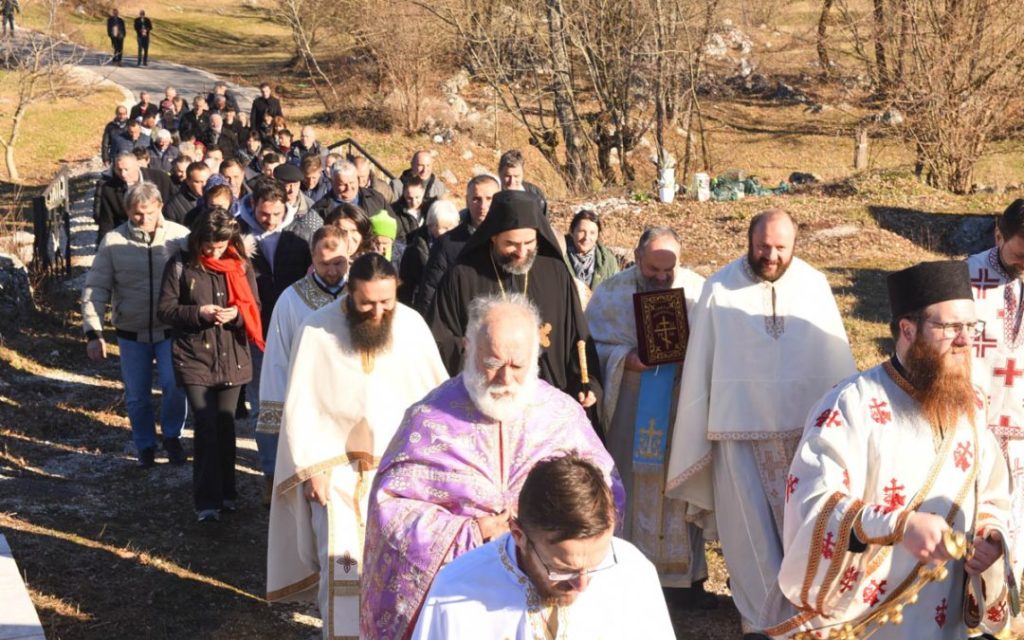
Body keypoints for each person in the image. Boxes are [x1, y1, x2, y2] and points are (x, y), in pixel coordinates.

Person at [361, 294, 625, 640]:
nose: (505, 378)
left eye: (518, 366)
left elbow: (607, 492)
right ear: (469, 349)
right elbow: (390, 511)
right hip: (463, 599)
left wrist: (549, 534)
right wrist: (473, 531)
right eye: (492, 362)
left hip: (552, 591)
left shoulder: (563, 417)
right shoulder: (427, 419)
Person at [773, 260, 1013, 639]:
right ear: (907, 329)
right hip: (867, 619)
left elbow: (994, 497)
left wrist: (990, 539)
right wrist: (898, 526)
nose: (966, 340)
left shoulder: (973, 405)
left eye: (970, 326)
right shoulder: (851, 405)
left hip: (944, 615)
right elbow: (813, 503)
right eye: (950, 327)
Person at [666, 208, 857, 639]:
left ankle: (807, 612)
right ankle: (760, 620)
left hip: (804, 438)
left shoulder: (814, 286)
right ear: (749, 241)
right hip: (738, 436)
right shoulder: (719, 288)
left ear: (794, 244)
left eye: (780, 247)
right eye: (762, 246)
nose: (770, 255)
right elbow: (701, 369)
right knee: (747, 531)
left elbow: (837, 362)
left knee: (805, 524)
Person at [266, 253, 447, 638]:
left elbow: (434, 402)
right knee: (341, 570)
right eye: (367, 303)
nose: (378, 312)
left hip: (399, 475)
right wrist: (312, 468)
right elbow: (303, 407)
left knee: (400, 570)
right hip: (337, 476)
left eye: (386, 302)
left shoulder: (412, 327)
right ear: (350, 292)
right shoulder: (317, 330)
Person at [586, 226, 714, 608]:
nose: (660, 277)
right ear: (637, 258)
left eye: (667, 271)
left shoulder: (698, 292)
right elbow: (591, 348)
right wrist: (625, 359)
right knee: (630, 479)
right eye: (652, 269)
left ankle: (686, 581)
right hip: (630, 401)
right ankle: (625, 574)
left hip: (680, 404)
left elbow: (714, 347)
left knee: (680, 482)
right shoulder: (610, 293)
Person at [412, 454, 674, 639]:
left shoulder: (633, 572)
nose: (582, 585)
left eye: (596, 565)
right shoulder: (455, 590)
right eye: (563, 569)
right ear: (518, 534)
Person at [428, 190, 604, 425]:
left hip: (546, 411)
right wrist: (479, 353)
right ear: (493, 237)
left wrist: (587, 381)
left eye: (529, 243)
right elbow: (440, 339)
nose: (521, 252)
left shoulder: (555, 272)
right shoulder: (463, 276)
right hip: (483, 407)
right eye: (510, 244)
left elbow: (578, 339)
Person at [158, 207, 262, 522]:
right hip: (194, 356)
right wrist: (198, 313)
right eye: (208, 245)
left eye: (219, 245)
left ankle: (227, 493)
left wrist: (238, 316)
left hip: (232, 355)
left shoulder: (240, 266)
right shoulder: (180, 263)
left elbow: (255, 307)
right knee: (205, 425)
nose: (213, 251)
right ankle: (206, 501)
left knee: (226, 424)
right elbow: (165, 310)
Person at [82, 183, 189, 467]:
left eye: (149, 213)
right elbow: (96, 288)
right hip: (131, 330)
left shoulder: (180, 237)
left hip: (170, 329)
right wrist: (93, 332)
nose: (143, 219)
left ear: (160, 207)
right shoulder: (113, 242)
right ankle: (145, 445)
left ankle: (172, 436)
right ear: (128, 212)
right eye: (137, 214)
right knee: (137, 395)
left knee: (175, 386)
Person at [255, 225, 349, 505]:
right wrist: (276, 412)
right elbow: (276, 358)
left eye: (339, 263)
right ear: (312, 257)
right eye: (324, 264)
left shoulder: (362, 293)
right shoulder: (291, 300)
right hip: (310, 404)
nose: (332, 271)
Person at [966, 197, 1024, 626]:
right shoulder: (962, 279)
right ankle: (973, 615)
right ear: (998, 234)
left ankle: (1004, 617)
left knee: (1016, 529)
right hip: (974, 428)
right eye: (1020, 253)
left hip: (1021, 428)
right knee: (975, 526)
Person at [237, 179, 313, 484]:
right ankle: (269, 470)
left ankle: (296, 463)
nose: (269, 219)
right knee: (262, 403)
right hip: (256, 329)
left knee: (298, 400)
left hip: (295, 327)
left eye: (276, 213)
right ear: (253, 205)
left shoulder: (299, 236)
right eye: (264, 213)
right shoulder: (238, 233)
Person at [412, 173, 498, 314]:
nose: (483, 205)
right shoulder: (447, 244)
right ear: (467, 201)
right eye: (476, 199)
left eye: (489, 199)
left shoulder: (511, 241)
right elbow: (430, 291)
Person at [95, 152, 174, 243]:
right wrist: (103, 244)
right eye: (119, 170)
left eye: (126, 169)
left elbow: (173, 206)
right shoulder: (109, 189)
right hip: (129, 235)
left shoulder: (160, 178)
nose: (123, 174)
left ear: (137, 166)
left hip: (161, 231)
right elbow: (107, 221)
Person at [398, 199, 459, 307]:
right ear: (430, 224)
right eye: (436, 226)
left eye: (447, 228)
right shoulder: (414, 249)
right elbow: (405, 287)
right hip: (422, 305)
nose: (441, 232)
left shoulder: (459, 247)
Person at [311, 161, 391, 223]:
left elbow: (397, 231)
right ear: (332, 183)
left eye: (352, 182)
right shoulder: (320, 210)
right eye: (343, 184)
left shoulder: (376, 199)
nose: (348, 188)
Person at [565, 209, 618, 291]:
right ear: (572, 232)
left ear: (597, 235)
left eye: (592, 233)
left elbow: (617, 292)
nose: (586, 238)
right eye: (582, 231)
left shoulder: (608, 261)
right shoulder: (559, 256)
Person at [498, 149, 547, 213]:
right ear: (499, 173)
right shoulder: (491, 195)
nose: (512, 181)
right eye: (507, 176)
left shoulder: (535, 194)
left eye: (516, 176)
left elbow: (544, 221)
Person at [390, 175, 430, 242]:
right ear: (404, 193)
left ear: (423, 192)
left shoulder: (430, 208)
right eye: (409, 198)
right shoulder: (394, 211)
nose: (414, 202)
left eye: (417, 197)